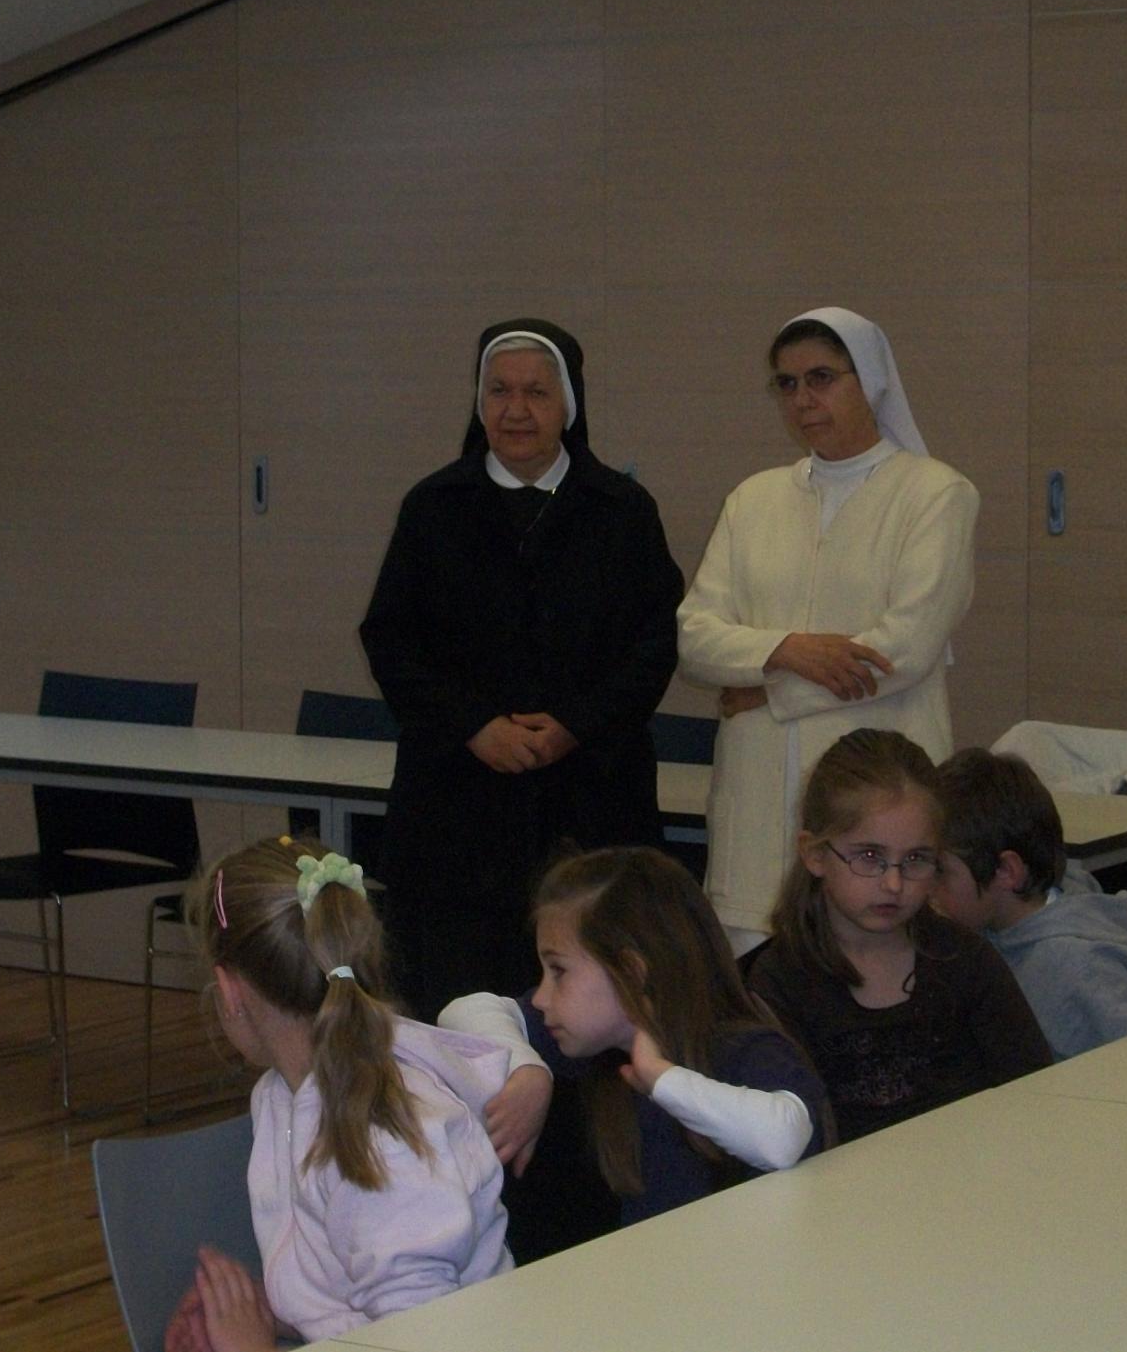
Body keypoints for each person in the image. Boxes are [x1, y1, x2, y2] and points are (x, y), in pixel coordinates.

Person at [360, 319, 684, 1019]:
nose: (516, 410)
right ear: (479, 403)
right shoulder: (433, 506)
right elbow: (391, 641)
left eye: (536, 392)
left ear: (569, 403)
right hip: (457, 808)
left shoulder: (623, 511)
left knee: (596, 1008)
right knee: (456, 1009)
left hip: (591, 800)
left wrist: (575, 724)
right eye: (499, 391)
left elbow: (655, 643)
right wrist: (474, 726)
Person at [677, 306, 978, 952]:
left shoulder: (935, 494)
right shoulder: (752, 499)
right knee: (756, 996)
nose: (803, 399)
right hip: (756, 814)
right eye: (787, 384)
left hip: (879, 823)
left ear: (869, 380)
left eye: (821, 378)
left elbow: (906, 646)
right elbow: (695, 637)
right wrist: (785, 649)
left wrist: (769, 687)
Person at [163, 836, 512, 1352]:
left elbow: (424, 1339)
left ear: (230, 991)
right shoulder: (279, 1095)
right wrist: (266, 1313)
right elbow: (352, 1293)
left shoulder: (378, 1135)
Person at [438, 846, 831, 1233]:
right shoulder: (602, 1041)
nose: (541, 997)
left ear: (631, 971)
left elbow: (785, 1138)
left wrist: (661, 1078)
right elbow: (463, 1012)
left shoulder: (744, 1048)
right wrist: (528, 1071)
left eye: (558, 971)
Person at [742, 729, 1051, 1143]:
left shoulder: (967, 961)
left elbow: (1035, 1096)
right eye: (869, 856)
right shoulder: (779, 982)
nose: (893, 883)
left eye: (916, 859)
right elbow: (785, 1138)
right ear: (814, 854)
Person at [932, 748, 1127, 1061]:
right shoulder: (990, 929)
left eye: (939, 871)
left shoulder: (1078, 964)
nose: (925, 887)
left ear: (1006, 871)